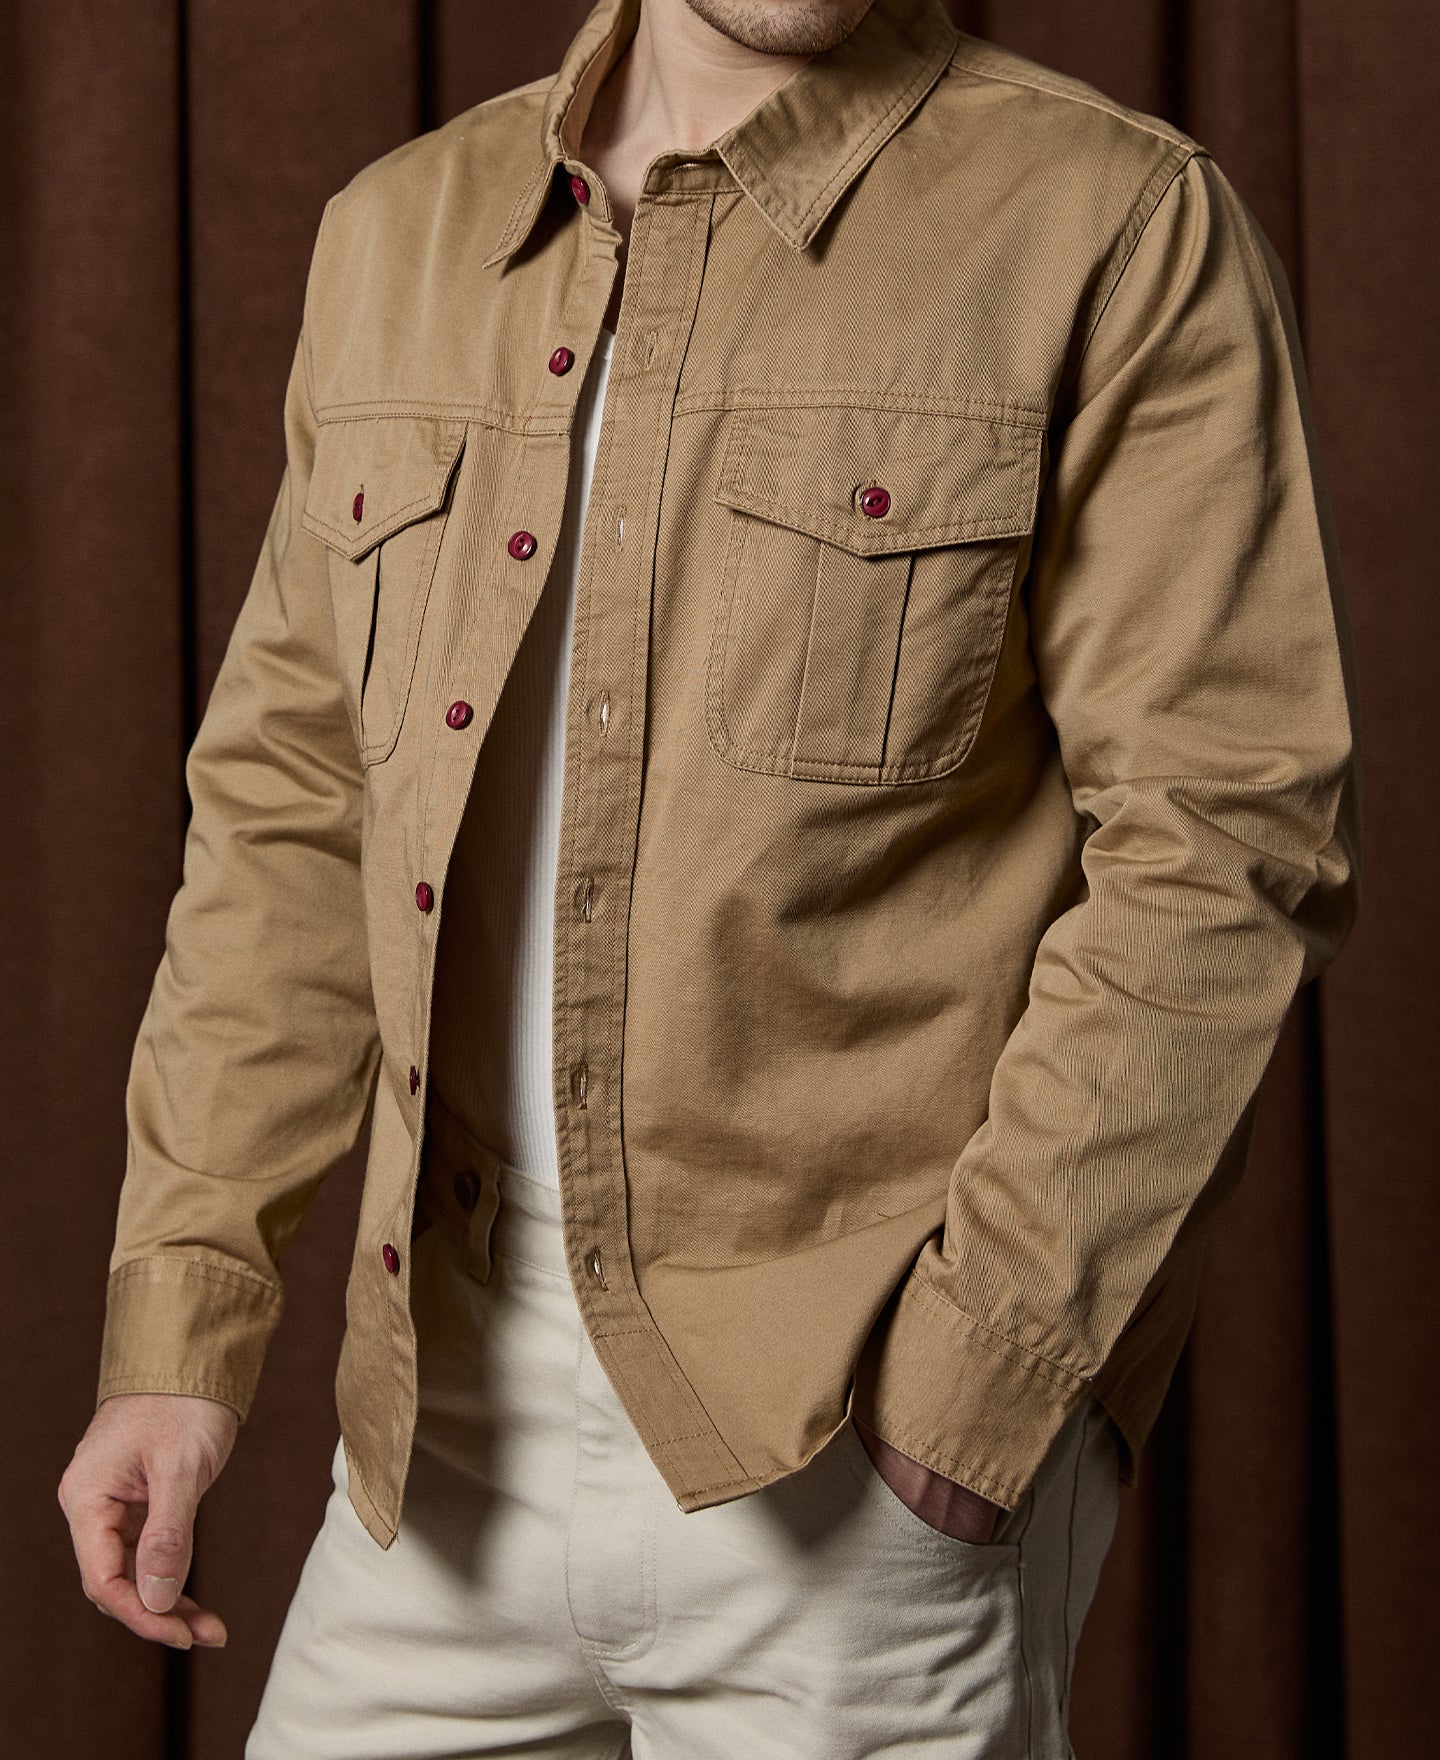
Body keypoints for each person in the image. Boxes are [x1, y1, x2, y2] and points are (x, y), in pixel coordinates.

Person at [57, 0, 1361, 1752]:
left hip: (853, 1429)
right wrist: (182, 1328)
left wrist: (969, 1398)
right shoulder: (395, 232)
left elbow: (1226, 842)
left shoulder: (1113, 223)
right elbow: (295, 812)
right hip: (441, 1433)